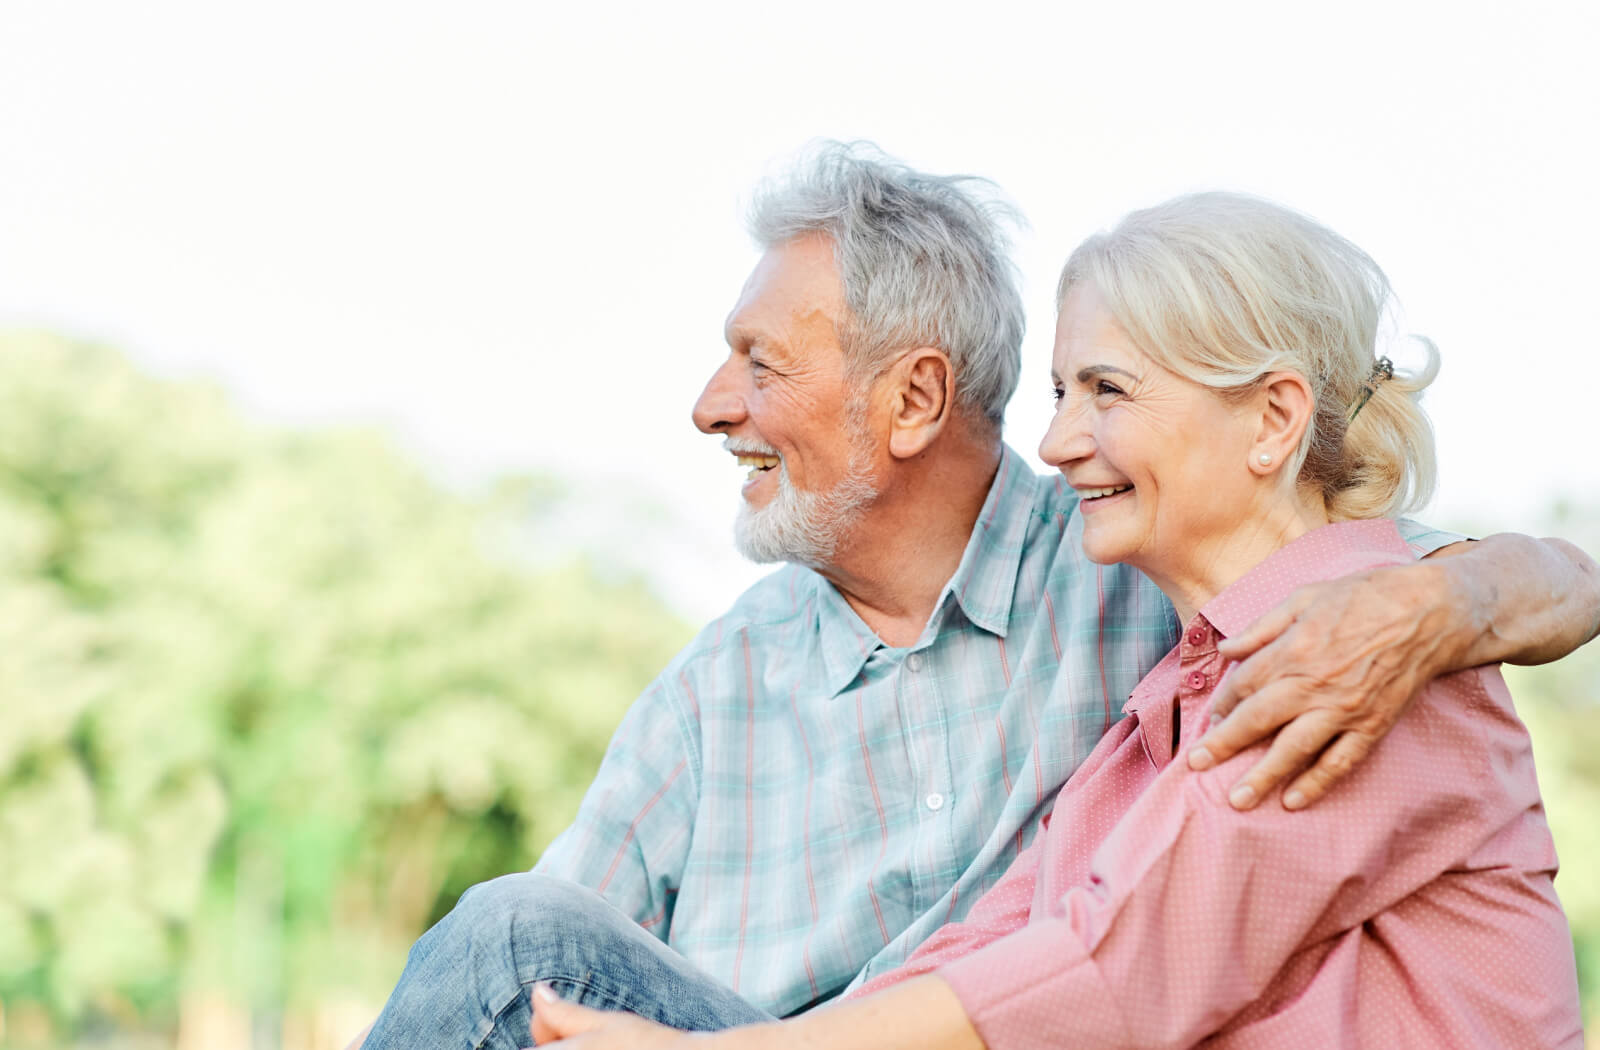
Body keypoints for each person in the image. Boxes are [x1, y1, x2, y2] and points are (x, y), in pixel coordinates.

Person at [351, 148, 1600, 1049]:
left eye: (761, 363)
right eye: (1064, 394)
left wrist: (1435, 609)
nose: (1058, 441)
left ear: (912, 399)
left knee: (514, 945)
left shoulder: (1318, 636)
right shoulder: (1162, 685)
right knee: (524, 948)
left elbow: (1109, 972)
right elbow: (1017, 941)